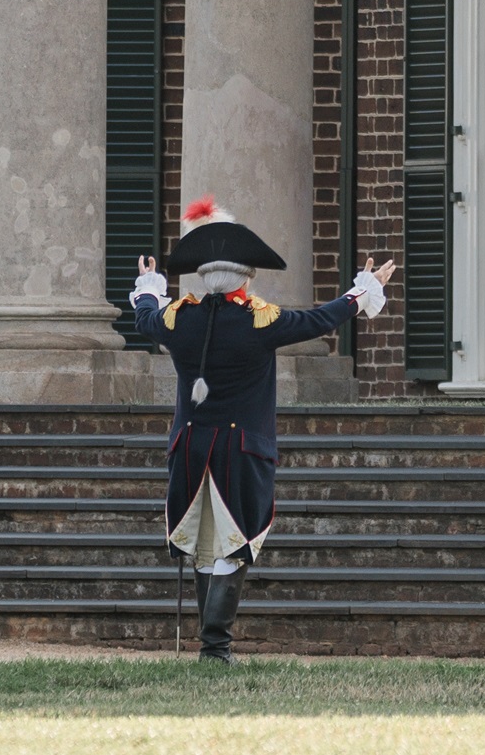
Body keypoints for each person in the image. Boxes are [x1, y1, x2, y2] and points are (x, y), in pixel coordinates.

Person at [130, 199, 391, 662]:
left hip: (189, 447)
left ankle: (212, 649)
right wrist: (360, 291)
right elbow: (320, 319)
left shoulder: (178, 319)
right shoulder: (260, 320)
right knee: (235, 544)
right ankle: (216, 649)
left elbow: (147, 314)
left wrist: (150, 284)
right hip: (240, 449)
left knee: (204, 543)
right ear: (245, 278)